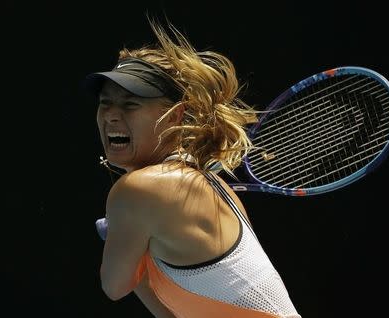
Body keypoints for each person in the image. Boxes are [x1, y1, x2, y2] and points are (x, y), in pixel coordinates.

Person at [83, 19, 301, 318]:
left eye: (130, 105)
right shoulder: (212, 185)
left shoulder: (140, 189)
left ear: (175, 116)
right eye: (105, 103)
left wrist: (121, 235)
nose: (111, 115)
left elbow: (113, 286)